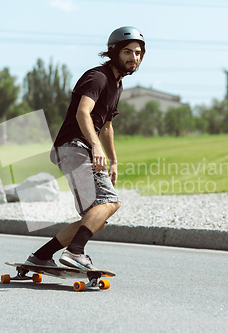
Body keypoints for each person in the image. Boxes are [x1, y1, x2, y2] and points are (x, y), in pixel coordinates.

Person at [25, 26, 146, 270]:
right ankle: (75, 252)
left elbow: (107, 126)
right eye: (128, 52)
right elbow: (83, 113)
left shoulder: (117, 85)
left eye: (138, 53)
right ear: (113, 53)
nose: (134, 57)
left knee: (95, 218)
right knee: (110, 202)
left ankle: (41, 255)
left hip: (81, 149)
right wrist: (96, 147)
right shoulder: (98, 77)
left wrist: (114, 161)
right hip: (75, 146)